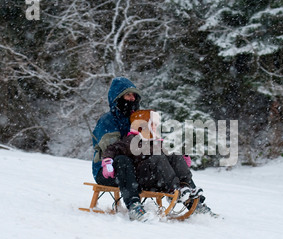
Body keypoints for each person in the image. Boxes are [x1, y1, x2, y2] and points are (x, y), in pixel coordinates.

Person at [101, 109, 217, 220]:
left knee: (174, 155)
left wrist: (181, 160)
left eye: (156, 125)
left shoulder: (155, 142)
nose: (155, 128)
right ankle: (175, 189)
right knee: (158, 157)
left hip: (157, 179)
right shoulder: (131, 140)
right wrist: (107, 161)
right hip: (142, 178)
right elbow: (113, 149)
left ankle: (187, 190)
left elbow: (169, 157)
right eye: (152, 125)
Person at [92, 77, 144, 220]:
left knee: (160, 160)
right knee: (122, 160)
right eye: (128, 95)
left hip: (133, 169)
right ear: (118, 98)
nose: (132, 99)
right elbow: (112, 149)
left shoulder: (137, 119)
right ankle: (134, 205)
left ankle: (190, 199)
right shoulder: (107, 120)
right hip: (107, 171)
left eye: (134, 95)